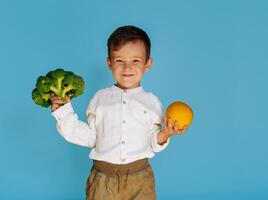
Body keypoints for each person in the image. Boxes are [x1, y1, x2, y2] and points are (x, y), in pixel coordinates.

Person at [50, 25, 187, 200]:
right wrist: (63, 112)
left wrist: (166, 133)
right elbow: (91, 137)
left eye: (135, 61)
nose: (127, 67)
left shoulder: (152, 102)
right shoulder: (100, 98)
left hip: (140, 180)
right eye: (119, 61)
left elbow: (153, 142)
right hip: (103, 182)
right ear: (109, 63)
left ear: (148, 64)